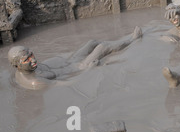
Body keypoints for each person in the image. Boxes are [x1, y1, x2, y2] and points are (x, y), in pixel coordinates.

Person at [8, 26, 143, 90]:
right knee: (103, 48)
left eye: (32, 54)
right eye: (27, 59)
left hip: (69, 62)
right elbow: (68, 83)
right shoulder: (36, 82)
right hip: (78, 68)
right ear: (17, 65)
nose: (33, 60)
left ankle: (121, 42)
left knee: (92, 42)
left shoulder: (24, 68)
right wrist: (89, 70)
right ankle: (132, 39)